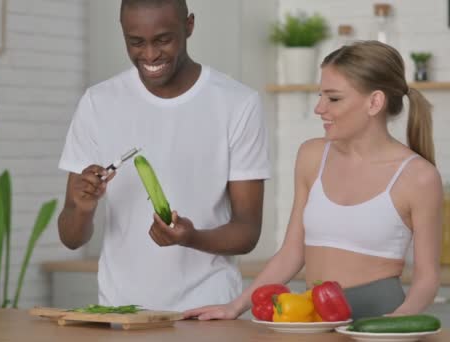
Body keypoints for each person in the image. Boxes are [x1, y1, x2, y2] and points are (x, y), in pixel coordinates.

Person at [185, 40, 442, 320]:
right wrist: (235, 306)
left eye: (333, 98)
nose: (319, 108)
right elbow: (292, 253)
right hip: (315, 315)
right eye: (320, 95)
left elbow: (427, 278)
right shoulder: (312, 155)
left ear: (374, 102)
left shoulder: (419, 177)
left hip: (380, 317)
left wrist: (398, 322)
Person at [57, 0, 270, 311]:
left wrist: (190, 237)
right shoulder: (98, 103)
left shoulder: (238, 104)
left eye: (163, 39)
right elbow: (71, 237)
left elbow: (248, 231)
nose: (150, 54)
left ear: (189, 26)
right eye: (136, 42)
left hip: (207, 313)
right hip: (121, 314)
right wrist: (83, 208)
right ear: (123, 33)